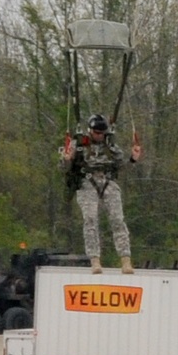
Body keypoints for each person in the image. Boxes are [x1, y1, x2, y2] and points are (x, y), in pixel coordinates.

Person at [61, 113, 142, 274]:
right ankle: (95, 260)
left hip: (108, 182)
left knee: (118, 220)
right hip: (87, 183)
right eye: (96, 133)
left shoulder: (111, 146)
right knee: (90, 220)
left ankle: (125, 260)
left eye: (102, 133)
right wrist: (67, 159)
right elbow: (64, 169)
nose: (99, 136)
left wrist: (133, 159)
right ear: (90, 131)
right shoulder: (78, 145)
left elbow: (122, 168)